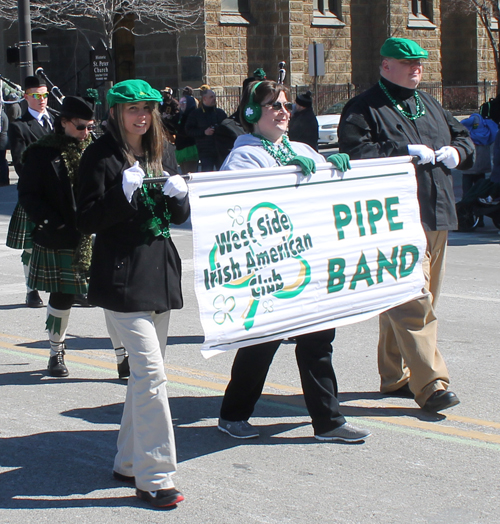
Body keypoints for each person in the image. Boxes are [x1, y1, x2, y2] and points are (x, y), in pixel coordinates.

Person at [217, 79, 369, 443]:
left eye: (286, 105)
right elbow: (236, 204)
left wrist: (332, 169)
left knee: (318, 339)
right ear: (253, 113)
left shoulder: (301, 148)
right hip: (269, 267)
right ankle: (233, 414)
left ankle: (328, 421)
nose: (284, 112)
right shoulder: (244, 156)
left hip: (307, 262)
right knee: (261, 343)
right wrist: (283, 177)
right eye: (274, 106)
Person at [338, 37, 474, 412]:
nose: (417, 69)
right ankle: (431, 384)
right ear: (385, 66)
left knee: (408, 299)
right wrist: (403, 154)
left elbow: (463, 137)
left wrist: (457, 152)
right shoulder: (364, 108)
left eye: (420, 64)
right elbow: (353, 153)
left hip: (436, 213)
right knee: (414, 301)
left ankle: (393, 375)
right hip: (394, 220)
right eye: (407, 63)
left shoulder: (428, 103)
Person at [76, 79, 189, 508]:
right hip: (122, 280)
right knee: (152, 376)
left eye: (147, 109)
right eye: (132, 110)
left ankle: (127, 460)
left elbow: (176, 214)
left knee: (146, 379)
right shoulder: (99, 156)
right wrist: (122, 195)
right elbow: (85, 219)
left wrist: (180, 198)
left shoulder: (162, 150)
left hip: (158, 275)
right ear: (115, 113)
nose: (141, 117)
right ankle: (155, 475)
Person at [17, 96, 95, 377]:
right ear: (63, 123)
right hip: (61, 235)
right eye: (81, 126)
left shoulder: (95, 150)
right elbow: (28, 195)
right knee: (61, 297)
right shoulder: (42, 153)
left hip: (96, 234)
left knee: (113, 298)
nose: (86, 132)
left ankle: (123, 356)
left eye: (90, 126)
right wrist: (53, 224)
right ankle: (55, 353)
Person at [7, 75, 58, 308]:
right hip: (35, 193)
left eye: (45, 95)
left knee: (66, 241)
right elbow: (19, 162)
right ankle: (32, 290)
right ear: (26, 97)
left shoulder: (57, 121)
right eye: (36, 96)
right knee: (31, 245)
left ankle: (68, 289)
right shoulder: (20, 126)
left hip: (60, 192)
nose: (42, 100)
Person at [460, 113, 497, 226]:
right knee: (480, 193)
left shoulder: (469, 135)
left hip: (468, 168)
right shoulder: (486, 133)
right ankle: (480, 219)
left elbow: (460, 124)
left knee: (467, 194)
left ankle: (469, 218)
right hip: (482, 168)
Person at [185, 88, 227, 171]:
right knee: (207, 174)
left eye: (214, 97)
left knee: (223, 173)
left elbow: (228, 128)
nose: (214, 99)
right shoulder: (196, 114)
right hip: (205, 151)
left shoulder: (220, 113)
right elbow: (189, 130)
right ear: (204, 98)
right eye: (211, 97)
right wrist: (204, 132)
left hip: (220, 150)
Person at [173, 95, 199, 174]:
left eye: (184, 102)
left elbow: (188, 131)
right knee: (184, 174)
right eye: (180, 102)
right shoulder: (180, 115)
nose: (182, 104)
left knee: (190, 174)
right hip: (181, 148)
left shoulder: (193, 115)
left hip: (190, 149)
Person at [0, 103, 8, 186]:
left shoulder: (1, 116)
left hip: (1, 141)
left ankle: (3, 179)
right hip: (3, 140)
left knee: (2, 161)